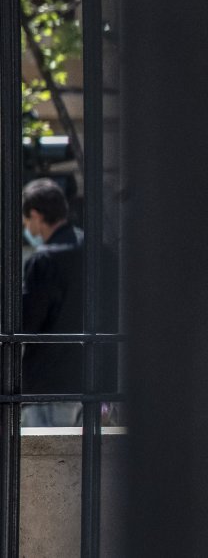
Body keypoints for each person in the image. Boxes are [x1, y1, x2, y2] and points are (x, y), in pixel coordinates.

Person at [21, 177, 85, 427]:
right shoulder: (97, 250)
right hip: (91, 381)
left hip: (49, 383)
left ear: (36, 215)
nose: (27, 227)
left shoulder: (44, 260)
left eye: (26, 220)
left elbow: (27, 323)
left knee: (48, 459)